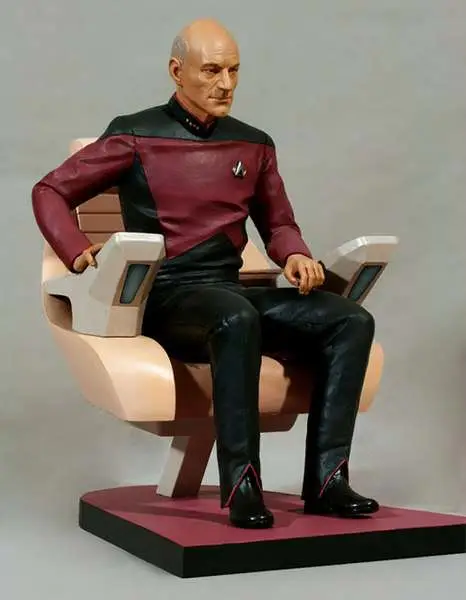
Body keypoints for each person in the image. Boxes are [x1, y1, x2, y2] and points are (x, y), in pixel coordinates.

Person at [32, 18, 379, 529]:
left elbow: (278, 223)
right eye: (212, 70)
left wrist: (295, 255)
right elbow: (49, 191)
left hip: (229, 291)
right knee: (235, 317)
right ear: (177, 71)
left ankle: (328, 482)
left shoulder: (254, 144)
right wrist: (78, 251)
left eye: (234, 71)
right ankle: (243, 487)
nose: (226, 84)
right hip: (167, 296)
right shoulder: (135, 134)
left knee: (351, 320)